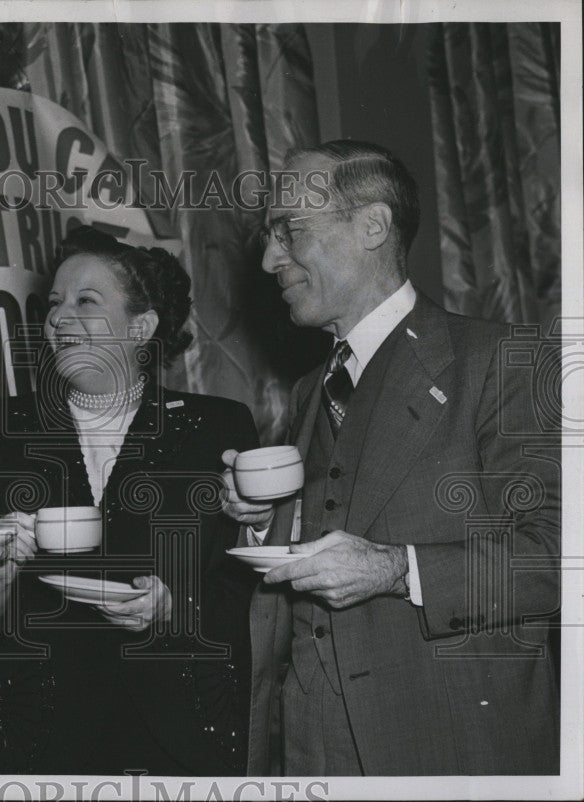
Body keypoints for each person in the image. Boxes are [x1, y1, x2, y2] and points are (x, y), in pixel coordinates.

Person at [223, 140, 560, 775]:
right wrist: (262, 518)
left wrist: (396, 570)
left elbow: (557, 558)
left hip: (447, 747)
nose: (269, 259)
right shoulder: (307, 390)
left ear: (372, 226)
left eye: (288, 231)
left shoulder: (500, 361)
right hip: (311, 748)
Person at [0, 225, 262, 775]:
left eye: (85, 302)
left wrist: (173, 610)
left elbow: (243, 591)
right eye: (53, 304)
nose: (58, 318)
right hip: (33, 742)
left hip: (179, 741)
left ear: (141, 327)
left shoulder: (218, 428)